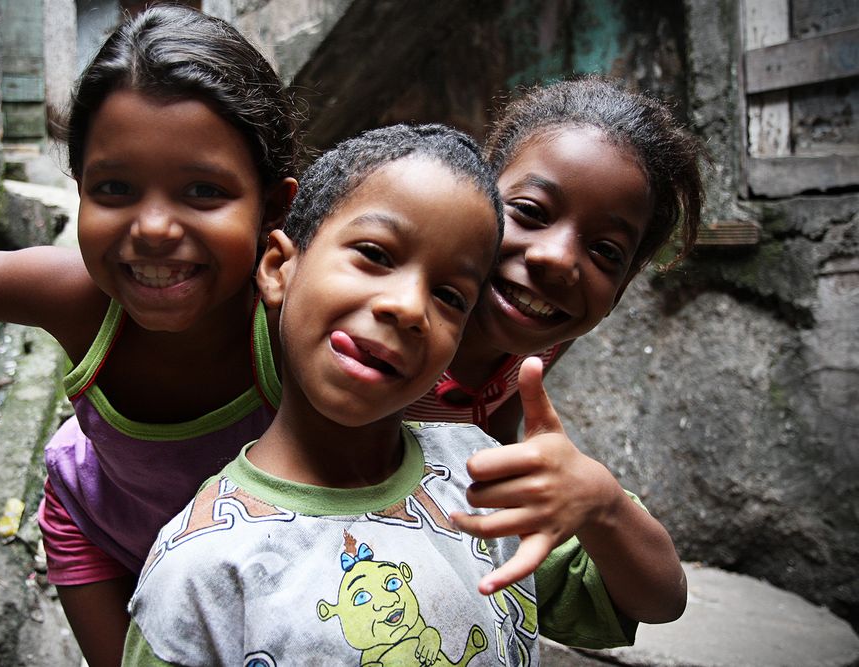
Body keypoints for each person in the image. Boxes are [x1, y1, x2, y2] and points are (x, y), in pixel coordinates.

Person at [122, 124, 685, 666]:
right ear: (277, 267)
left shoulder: (477, 481)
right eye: (375, 254)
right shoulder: (202, 566)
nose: (409, 307)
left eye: (448, 295)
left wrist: (603, 502)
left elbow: (660, 599)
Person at [0, 7, 299, 665]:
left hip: (257, 557)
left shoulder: (300, 318)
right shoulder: (74, 296)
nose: (152, 226)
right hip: (104, 538)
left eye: (203, 191)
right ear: (79, 191)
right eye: (115, 188)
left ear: (272, 207)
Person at [402, 77, 704, 626]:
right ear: (474, 193)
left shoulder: (538, 344)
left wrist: (601, 499)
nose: (559, 260)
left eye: (606, 252)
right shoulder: (376, 324)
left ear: (620, 290)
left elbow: (664, 599)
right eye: (530, 211)